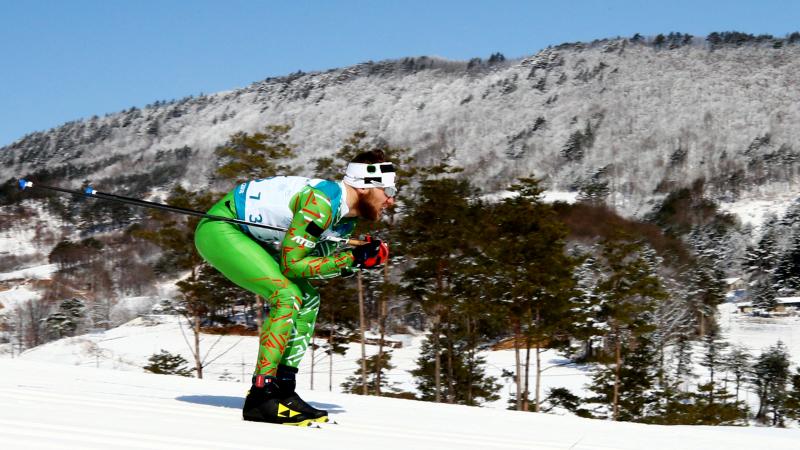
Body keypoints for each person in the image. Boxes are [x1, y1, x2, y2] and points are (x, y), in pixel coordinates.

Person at [194, 149, 395, 426]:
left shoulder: (345, 220)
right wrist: (351, 258)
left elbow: (315, 264)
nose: (391, 199)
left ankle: (283, 389)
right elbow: (292, 266)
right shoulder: (321, 204)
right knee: (286, 295)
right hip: (221, 229)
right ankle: (261, 396)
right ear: (363, 186)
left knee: (308, 298)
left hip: (249, 235)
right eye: (388, 189)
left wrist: (357, 261)